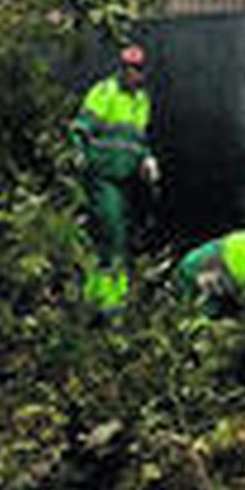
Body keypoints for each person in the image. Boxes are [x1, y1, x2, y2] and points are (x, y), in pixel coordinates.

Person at [71, 45, 158, 314]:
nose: (133, 74)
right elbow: (81, 127)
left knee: (120, 238)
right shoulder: (104, 92)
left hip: (127, 180)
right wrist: (79, 152)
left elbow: (137, 138)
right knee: (111, 236)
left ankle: (104, 299)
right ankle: (106, 304)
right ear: (121, 68)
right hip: (102, 176)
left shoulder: (142, 100)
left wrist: (146, 158)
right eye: (128, 68)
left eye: (138, 69)